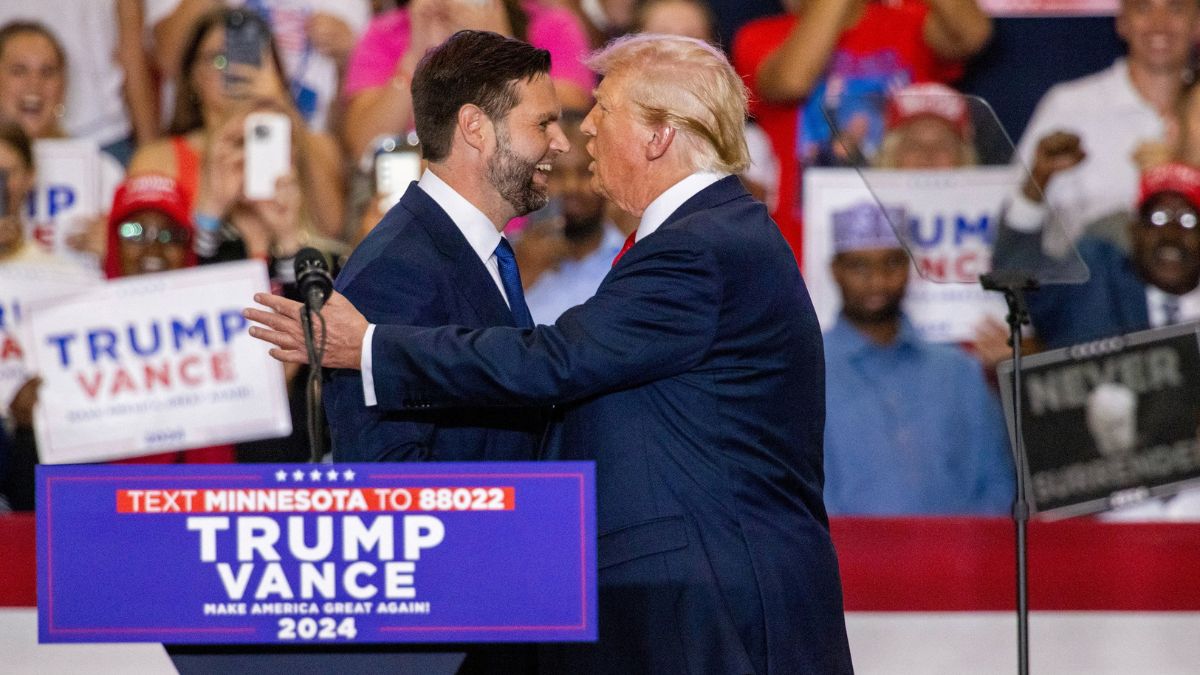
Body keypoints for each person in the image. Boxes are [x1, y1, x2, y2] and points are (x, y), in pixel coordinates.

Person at [248, 33, 854, 673]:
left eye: (603, 109)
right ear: (476, 129)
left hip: (718, 612)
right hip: (586, 615)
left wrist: (370, 347)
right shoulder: (708, 236)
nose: (579, 132)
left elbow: (558, 360)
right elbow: (395, 484)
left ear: (658, 136)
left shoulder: (699, 247)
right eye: (551, 121)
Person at [323, 30, 560, 465]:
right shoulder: (394, 271)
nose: (560, 142)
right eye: (543, 123)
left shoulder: (477, 248)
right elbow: (386, 477)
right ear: (475, 127)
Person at [732, 0, 991, 259]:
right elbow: (792, 81)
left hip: (912, 252)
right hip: (806, 251)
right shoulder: (758, 36)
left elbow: (972, 35)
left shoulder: (907, 22)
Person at [822, 201, 1014, 515]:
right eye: (859, 266)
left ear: (909, 268)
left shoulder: (959, 372)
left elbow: (996, 484)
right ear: (836, 271)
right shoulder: (804, 372)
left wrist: (959, 558)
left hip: (957, 560)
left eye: (891, 264)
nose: (877, 280)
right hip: (842, 561)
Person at [129, 8, 346, 239]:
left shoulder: (318, 146)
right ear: (193, 75)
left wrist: (279, 102)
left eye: (249, 58)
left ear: (274, 66)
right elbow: (149, 252)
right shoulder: (157, 160)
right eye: (219, 59)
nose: (234, 70)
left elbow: (331, 229)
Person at [1010, 0, 1200, 247]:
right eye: (1143, 8)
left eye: (1175, 9)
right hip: (1090, 278)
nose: (1159, 24)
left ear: (1197, 24)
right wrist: (1040, 176)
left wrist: (1180, 173)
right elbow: (1012, 220)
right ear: (1121, 22)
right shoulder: (1070, 106)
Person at [339, 0, 592, 161]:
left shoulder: (549, 24)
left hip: (527, 216)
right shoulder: (386, 32)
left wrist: (501, 45)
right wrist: (415, 57)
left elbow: (566, 122)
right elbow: (365, 146)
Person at [522, 108, 624, 325]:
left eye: (584, 172)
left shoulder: (629, 262)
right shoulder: (509, 260)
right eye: (557, 174)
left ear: (604, 176)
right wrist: (522, 275)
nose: (571, 187)